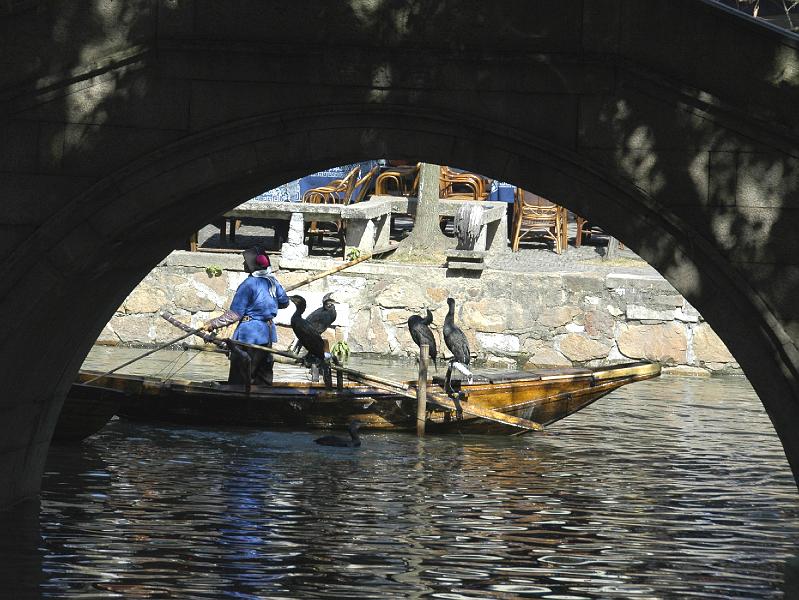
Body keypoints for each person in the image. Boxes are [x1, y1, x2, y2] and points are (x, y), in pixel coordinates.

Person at [203, 246, 289, 386]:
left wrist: (212, 324)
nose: (243, 264)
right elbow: (284, 302)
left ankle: (239, 401)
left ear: (253, 266)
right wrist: (266, 302)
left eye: (246, 262)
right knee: (262, 375)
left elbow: (235, 314)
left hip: (249, 335)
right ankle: (263, 398)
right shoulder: (273, 281)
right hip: (266, 333)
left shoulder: (248, 284)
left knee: (241, 374)